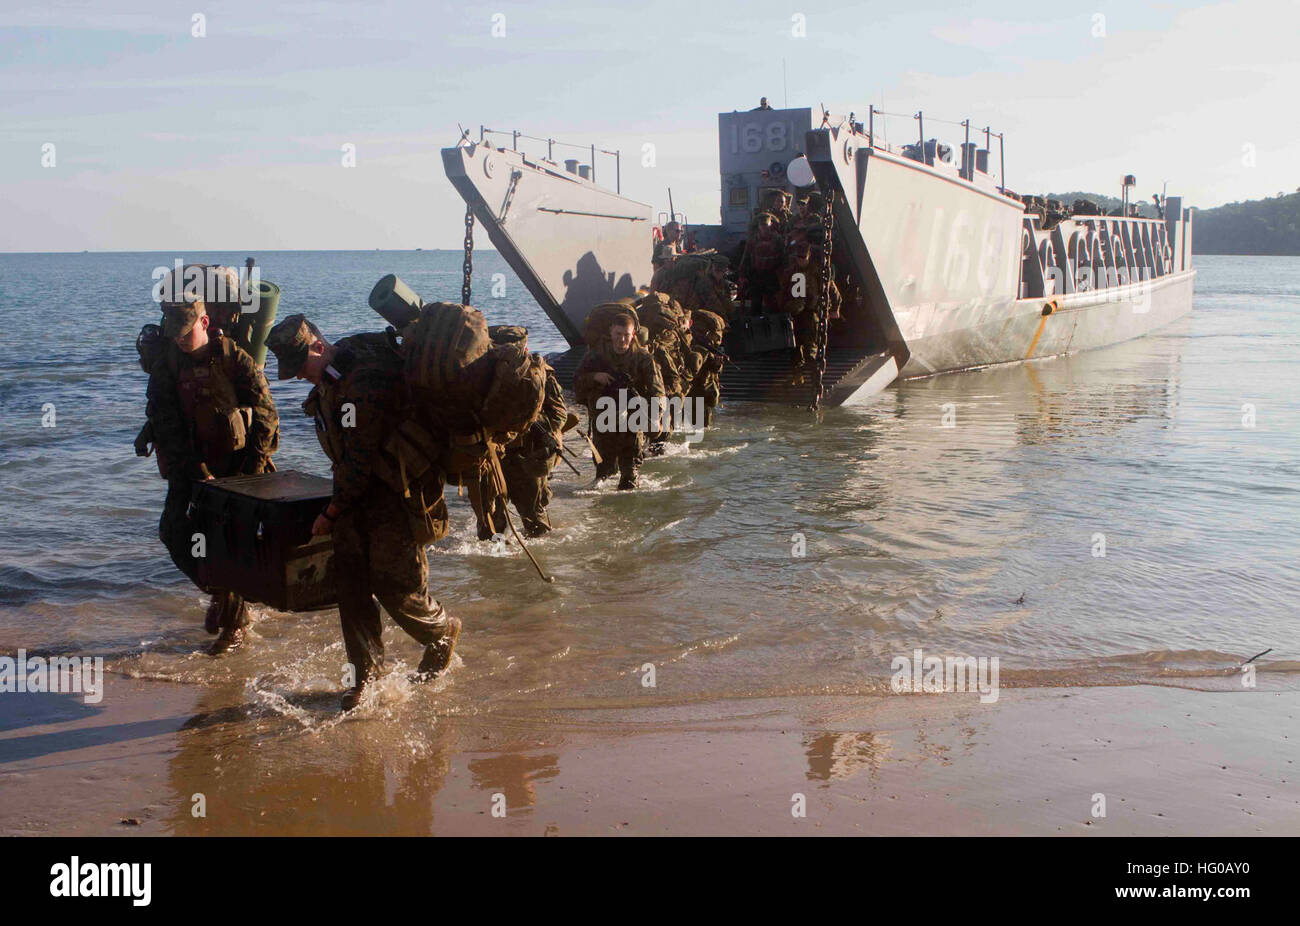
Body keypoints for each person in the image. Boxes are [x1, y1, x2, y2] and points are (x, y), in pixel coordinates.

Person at [265, 314, 461, 711]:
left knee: (397, 588)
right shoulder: (332, 378)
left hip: (392, 496)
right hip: (356, 497)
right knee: (350, 587)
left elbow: (360, 459)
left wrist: (331, 513)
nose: (300, 376)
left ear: (318, 347)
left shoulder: (363, 384)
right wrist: (340, 507)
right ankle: (364, 676)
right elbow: (348, 463)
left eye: (301, 366)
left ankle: (441, 633)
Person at [148, 265, 279, 655]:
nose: (182, 341)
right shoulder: (167, 365)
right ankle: (220, 591)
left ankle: (235, 626)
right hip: (192, 467)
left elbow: (267, 413)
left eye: (187, 333)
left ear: (205, 321)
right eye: (175, 335)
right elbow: (165, 423)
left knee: (228, 542)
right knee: (173, 531)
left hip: (238, 467)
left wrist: (251, 472)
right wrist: (194, 471)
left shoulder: (232, 357)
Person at [574, 302, 664, 490]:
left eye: (627, 336)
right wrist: (594, 377)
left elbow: (657, 390)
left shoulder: (643, 358)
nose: (622, 340)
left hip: (632, 418)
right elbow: (577, 381)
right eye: (618, 335)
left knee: (629, 478)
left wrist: (656, 416)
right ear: (611, 332)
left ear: (633, 335)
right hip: (603, 417)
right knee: (603, 472)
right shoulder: (597, 354)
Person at [490, 326, 567, 537]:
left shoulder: (541, 374)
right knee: (490, 526)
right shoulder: (485, 376)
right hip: (495, 456)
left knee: (536, 525)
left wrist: (529, 420)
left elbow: (559, 414)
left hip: (528, 456)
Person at [687, 310, 728, 427]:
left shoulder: (703, 349)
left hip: (701, 397)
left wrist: (717, 365)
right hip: (699, 397)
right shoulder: (700, 350)